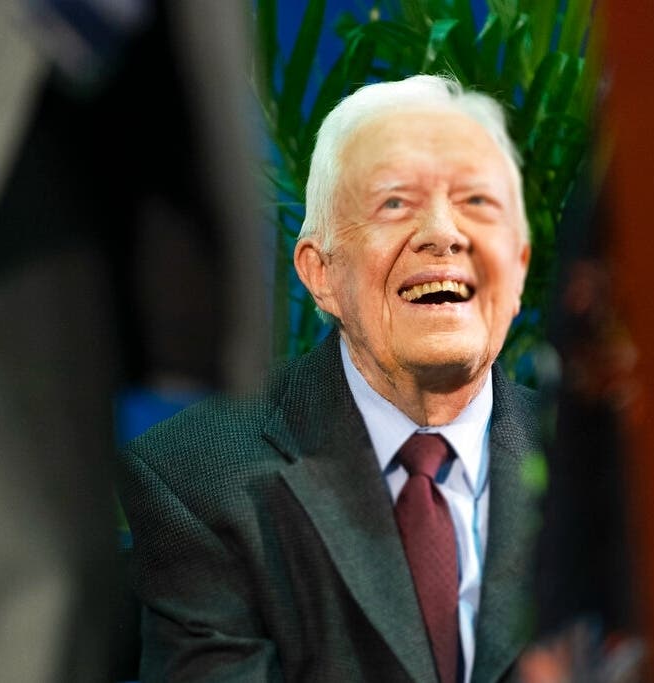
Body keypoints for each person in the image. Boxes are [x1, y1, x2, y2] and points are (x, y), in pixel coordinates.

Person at [120, 74, 550, 683]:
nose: (443, 234)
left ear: (518, 268)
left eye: (476, 202)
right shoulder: (197, 481)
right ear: (320, 273)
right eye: (395, 202)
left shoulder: (610, 468)